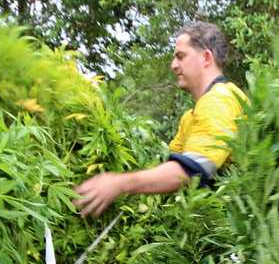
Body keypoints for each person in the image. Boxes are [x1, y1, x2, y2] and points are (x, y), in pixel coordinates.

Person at [73, 21, 246, 217]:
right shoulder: (191, 116)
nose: (173, 65)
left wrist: (118, 183)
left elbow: (189, 172)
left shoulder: (220, 100)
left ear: (206, 58)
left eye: (181, 56)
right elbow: (169, 168)